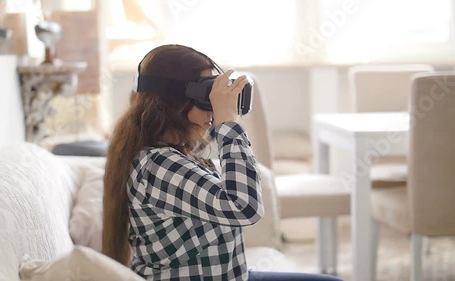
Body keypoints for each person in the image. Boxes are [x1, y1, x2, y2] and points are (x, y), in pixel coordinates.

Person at [102, 44, 343, 281]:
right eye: (206, 95)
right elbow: (245, 207)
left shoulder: (175, 153)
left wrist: (224, 121)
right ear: (173, 101)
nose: (214, 107)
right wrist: (228, 122)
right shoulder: (159, 166)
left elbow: (234, 187)